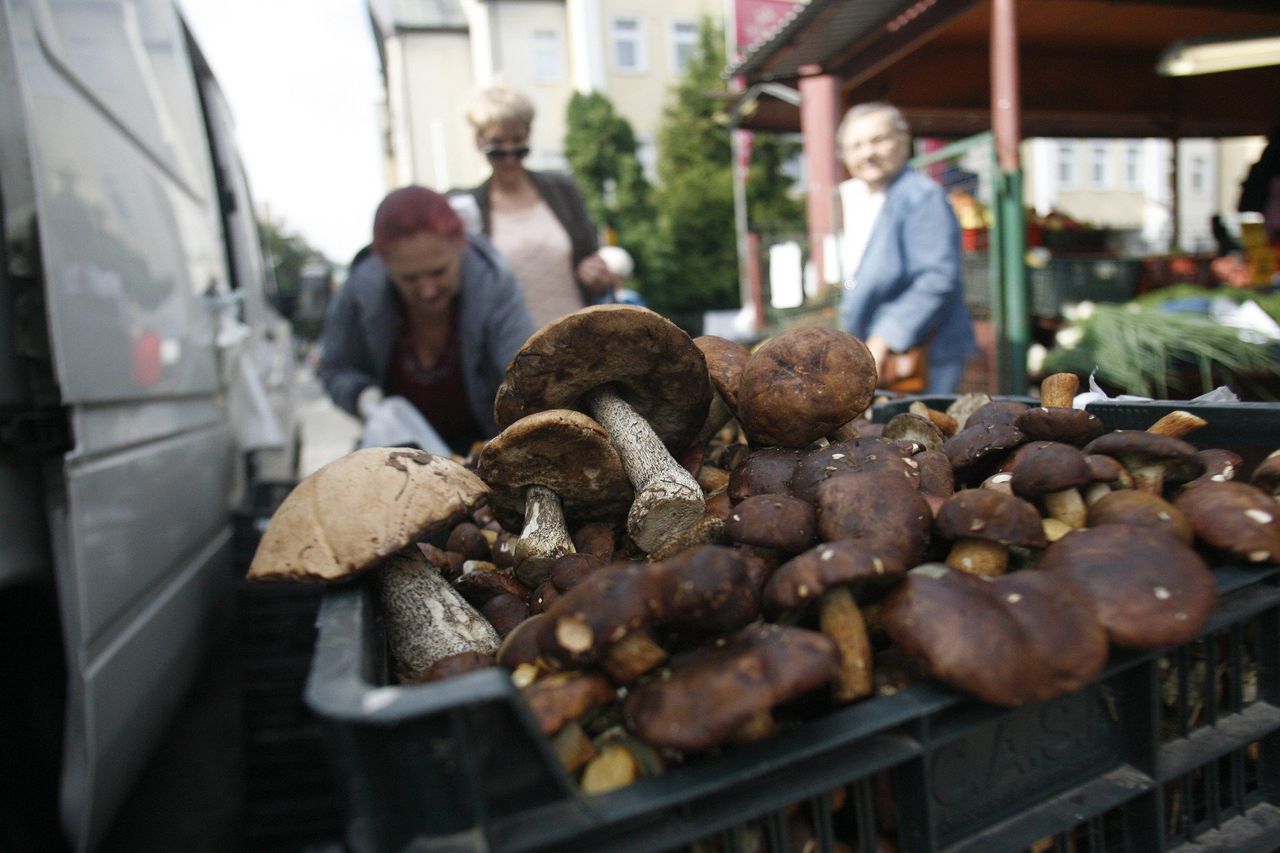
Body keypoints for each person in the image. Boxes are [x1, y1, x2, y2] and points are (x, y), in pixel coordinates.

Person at [317, 185, 535, 454]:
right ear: (385, 264)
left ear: (460, 247)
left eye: (438, 272)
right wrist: (364, 398)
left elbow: (526, 373)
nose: (428, 290)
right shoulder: (360, 290)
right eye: (409, 278)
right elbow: (335, 367)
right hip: (397, 452)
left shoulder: (493, 284)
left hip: (488, 449)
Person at [834, 102, 977, 394]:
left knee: (922, 435)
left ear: (903, 141)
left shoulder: (921, 197)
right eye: (856, 145)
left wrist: (883, 339)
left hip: (922, 356)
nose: (867, 153)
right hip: (885, 355)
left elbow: (937, 278)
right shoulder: (863, 199)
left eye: (878, 140)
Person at [455, 84, 619, 329]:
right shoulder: (469, 208)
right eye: (498, 145)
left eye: (518, 143)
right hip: (510, 350)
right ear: (478, 141)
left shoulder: (563, 191)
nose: (510, 155)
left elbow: (592, 261)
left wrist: (597, 275)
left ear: (529, 135)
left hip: (580, 344)